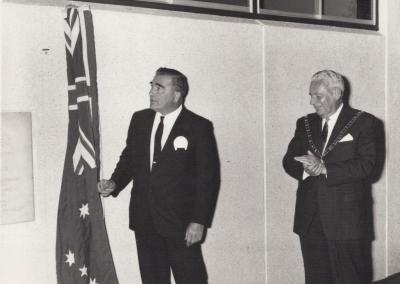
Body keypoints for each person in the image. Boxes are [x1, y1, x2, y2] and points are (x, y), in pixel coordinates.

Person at [98, 67, 220, 284]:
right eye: (152, 86)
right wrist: (115, 182)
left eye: (159, 87)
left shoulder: (198, 127)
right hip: (144, 220)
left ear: (177, 95)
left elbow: (208, 179)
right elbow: (130, 159)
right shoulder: (140, 120)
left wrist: (199, 221)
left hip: (181, 223)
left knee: (192, 279)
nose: (151, 92)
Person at [283, 70, 378, 284]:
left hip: (347, 222)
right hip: (310, 220)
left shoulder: (364, 122)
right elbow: (289, 160)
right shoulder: (305, 124)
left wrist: (325, 169)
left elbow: (368, 165)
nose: (311, 102)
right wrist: (308, 169)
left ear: (336, 93)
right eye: (310, 95)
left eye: (317, 96)